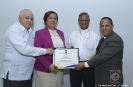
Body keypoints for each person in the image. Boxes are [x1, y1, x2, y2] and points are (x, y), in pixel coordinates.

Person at [1, 9, 54, 87]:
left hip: (27, 75)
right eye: (27, 18)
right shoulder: (13, 30)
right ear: (19, 18)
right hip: (15, 76)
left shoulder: (30, 32)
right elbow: (24, 49)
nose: (29, 20)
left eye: (31, 19)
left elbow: (34, 49)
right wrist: (45, 51)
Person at [76, 17, 124, 87]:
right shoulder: (104, 38)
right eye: (102, 26)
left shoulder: (115, 39)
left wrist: (84, 64)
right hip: (103, 76)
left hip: (112, 77)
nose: (104, 28)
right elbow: (101, 53)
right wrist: (94, 56)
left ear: (112, 26)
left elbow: (103, 56)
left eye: (107, 26)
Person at [66, 12, 100, 87]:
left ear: (89, 21)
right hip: (75, 66)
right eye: (82, 20)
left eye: (86, 20)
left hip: (89, 66)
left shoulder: (95, 36)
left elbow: (98, 52)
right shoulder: (72, 34)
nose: (84, 22)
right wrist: (70, 50)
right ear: (78, 21)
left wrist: (94, 57)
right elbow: (67, 48)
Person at [34, 11, 65, 87]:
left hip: (58, 70)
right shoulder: (39, 33)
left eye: (55, 18)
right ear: (45, 20)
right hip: (44, 71)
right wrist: (48, 65)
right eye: (50, 18)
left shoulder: (61, 33)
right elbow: (37, 52)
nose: (53, 20)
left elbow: (62, 50)